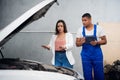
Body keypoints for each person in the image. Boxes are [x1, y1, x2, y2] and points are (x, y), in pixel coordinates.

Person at [76, 13, 107, 80]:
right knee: (87, 75)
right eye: (82, 20)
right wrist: (81, 42)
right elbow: (77, 44)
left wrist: (97, 42)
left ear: (90, 20)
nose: (83, 22)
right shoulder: (80, 30)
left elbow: (104, 41)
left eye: (85, 20)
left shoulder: (99, 28)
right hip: (85, 55)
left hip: (97, 55)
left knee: (99, 75)